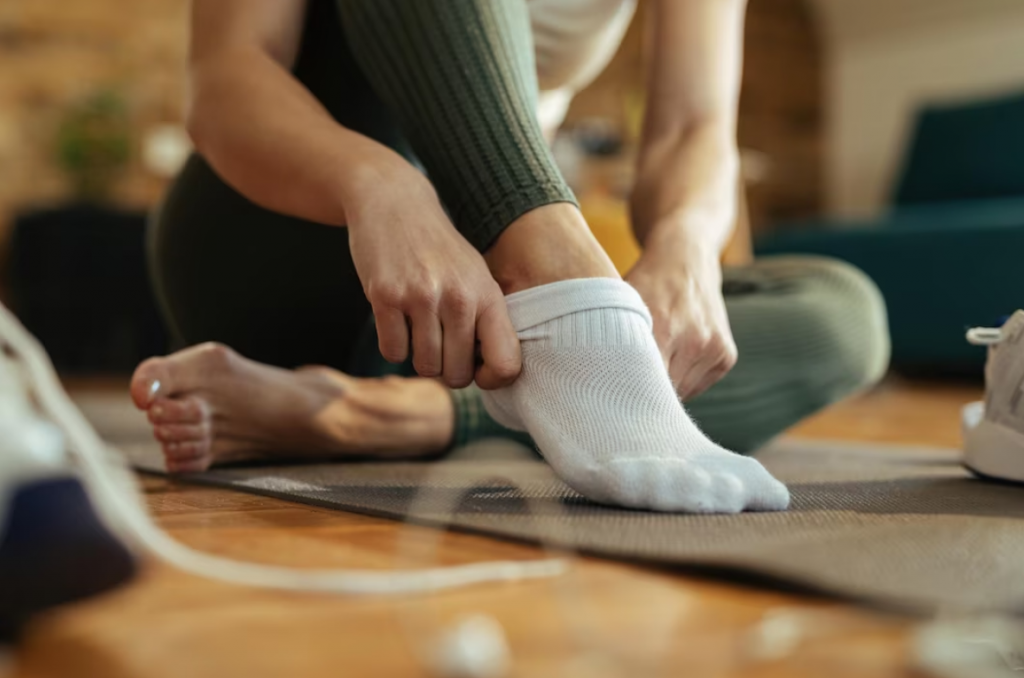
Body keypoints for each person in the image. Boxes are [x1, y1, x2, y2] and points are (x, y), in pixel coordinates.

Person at [130, 0, 889, 513]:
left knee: (843, 313)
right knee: (572, 307)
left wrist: (685, 247)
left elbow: (693, 126)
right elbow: (225, 78)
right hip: (296, 235)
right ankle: (566, 293)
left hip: (484, 320)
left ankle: (383, 417)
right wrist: (382, 187)